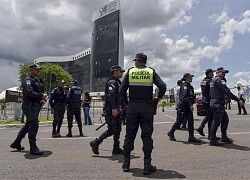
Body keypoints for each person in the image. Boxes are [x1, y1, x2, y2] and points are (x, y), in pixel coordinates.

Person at [119, 53, 166, 175]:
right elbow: (163, 86)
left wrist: (126, 103)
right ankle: (147, 165)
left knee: (129, 136)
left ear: (137, 61)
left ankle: (126, 164)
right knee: (146, 136)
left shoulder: (130, 72)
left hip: (132, 107)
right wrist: (158, 98)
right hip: (147, 108)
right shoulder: (151, 72)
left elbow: (121, 90)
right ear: (145, 61)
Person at [10, 64, 47, 155]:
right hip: (29, 105)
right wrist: (41, 95)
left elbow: (40, 91)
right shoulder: (28, 80)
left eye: (39, 70)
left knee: (28, 125)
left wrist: (43, 96)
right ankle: (33, 148)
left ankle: (16, 143)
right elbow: (29, 92)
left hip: (35, 105)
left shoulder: (38, 80)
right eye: (36, 69)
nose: (38, 71)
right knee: (34, 125)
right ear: (31, 70)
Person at [90, 65, 125, 155]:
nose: (122, 73)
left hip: (116, 109)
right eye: (120, 71)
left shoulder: (118, 82)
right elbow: (111, 95)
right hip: (111, 109)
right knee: (112, 130)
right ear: (115, 71)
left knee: (118, 129)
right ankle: (96, 142)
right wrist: (113, 108)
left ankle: (116, 148)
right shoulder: (112, 82)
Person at [209, 67, 244, 146]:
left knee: (225, 119)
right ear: (217, 73)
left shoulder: (212, 81)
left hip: (214, 103)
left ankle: (223, 137)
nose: (224, 74)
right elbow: (227, 91)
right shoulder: (219, 80)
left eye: (225, 73)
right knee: (216, 122)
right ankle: (212, 140)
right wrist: (238, 100)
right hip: (218, 103)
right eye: (223, 72)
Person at [167, 73, 201, 143]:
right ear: (186, 78)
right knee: (179, 121)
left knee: (191, 122)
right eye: (190, 77)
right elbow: (184, 97)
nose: (191, 78)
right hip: (183, 106)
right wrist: (190, 104)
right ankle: (171, 132)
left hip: (188, 107)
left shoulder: (190, 86)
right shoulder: (184, 86)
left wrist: (193, 101)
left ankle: (191, 137)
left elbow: (192, 96)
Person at [196, 69, 215, 139]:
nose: (213, 74)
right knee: (211, 118)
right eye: (212, 73)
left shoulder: (203, 81)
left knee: (208, 115)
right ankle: (210, 135)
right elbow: (211, 91)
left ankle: (201, 127)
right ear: (209, 74)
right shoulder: (210, 81)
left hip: (204, 100)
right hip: (208, 100)